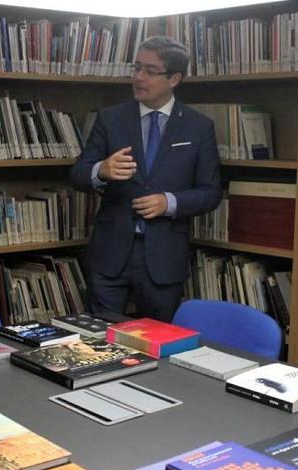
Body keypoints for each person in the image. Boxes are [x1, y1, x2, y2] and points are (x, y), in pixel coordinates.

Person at [71, 36, 222, 323]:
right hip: (110, 254)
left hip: (163, 257)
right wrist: (101, 170)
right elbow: (78, 174)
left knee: (159, 346)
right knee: (99, 342)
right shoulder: (110, 118)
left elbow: (210, 192)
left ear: (174, 78)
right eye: (136, 67)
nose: (138, 77)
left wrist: (169, 202)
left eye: (150, 71)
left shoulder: (198, 127)